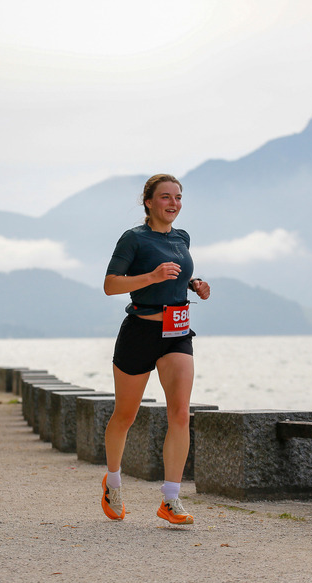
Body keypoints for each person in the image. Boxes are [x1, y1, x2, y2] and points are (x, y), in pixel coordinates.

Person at [100, 174, 212, 525]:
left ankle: (171, 499)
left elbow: (176, 276)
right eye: (166, 197)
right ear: (148, 202)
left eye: (178, 197)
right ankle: (112, 483)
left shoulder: (182, 237)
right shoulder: (133, 238)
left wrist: (194, 284)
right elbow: (110, 285)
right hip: (140, 332)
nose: (173, 203)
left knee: (180, 414)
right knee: (125, 415)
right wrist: (151, 276)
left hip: (176, 333)